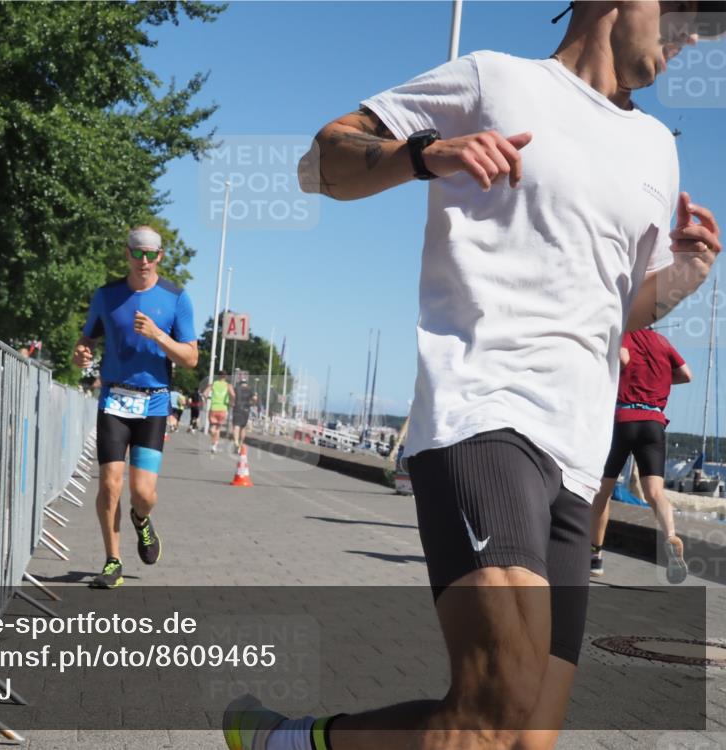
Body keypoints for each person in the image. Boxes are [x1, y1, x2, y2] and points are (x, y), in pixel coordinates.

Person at [225, 3, 723, 750]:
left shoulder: (656, 145)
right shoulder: (496, 79)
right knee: (497, 701)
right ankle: (284, 742)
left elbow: (616, 313)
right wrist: (426, 154)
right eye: (688, 11)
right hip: (483, 411)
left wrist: (682, 276)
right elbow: (323, 158)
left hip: (579, 456)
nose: (696, 36)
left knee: (528, 737)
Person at [72, 226, 198, 589]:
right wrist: (81, 353)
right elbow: (87, 339)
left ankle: (141, 520)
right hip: (114, 398)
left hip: (154, 402)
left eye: (151, 254)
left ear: (160, 256)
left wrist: (159, 335)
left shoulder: (176, 298)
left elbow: (190, 358)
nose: (143, 260)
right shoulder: (107, 295)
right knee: (110, 484)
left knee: (143, 494)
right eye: (137, 253)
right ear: (126, 254)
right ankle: (113, 561)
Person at [590, 328, 691, 581]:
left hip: (623, 419)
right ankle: (670, 536)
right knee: (656, 493)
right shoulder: (662, 342)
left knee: (603, 491)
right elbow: (686, 375)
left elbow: (623, 358)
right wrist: (662, 378)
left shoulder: (625, 334)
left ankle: (596, 555)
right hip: (654, 423)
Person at [204, 371, 234, 454]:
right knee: (218, 429)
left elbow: (205, 393)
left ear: (218, 376)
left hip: (214, 408)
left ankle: (213, 441)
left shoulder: (213, 384)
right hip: (223, 409)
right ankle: (214, 445)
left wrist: (207, 400)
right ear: (226, 377)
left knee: (213, 428)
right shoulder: (228, 385)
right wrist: (231, 402)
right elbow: (233, 394)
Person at [231, 374, 258, 452]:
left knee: (236, 426)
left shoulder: (236, 389)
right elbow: (255, 398)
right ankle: (241, 444)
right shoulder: (250, 390)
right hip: (246, 410)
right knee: (243, 427)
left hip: (237, 409)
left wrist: (232, 403)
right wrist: (251, 404)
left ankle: (236, 442)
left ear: (240, 383)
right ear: (246, 383)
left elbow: (232, 396)